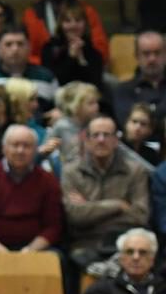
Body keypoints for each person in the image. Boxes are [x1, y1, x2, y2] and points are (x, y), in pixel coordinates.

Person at [0, 125, 64, 276]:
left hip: (35, 248)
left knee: (58, 259)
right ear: (4, 148)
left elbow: (53, 226)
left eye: (26, 146)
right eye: (15, 145)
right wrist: (2, 252)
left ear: (36, 150)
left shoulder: (48, 181)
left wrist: (30, 250)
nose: (20, 150)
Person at [62, 116, 151, 273]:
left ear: (116, 140)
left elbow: (140, 216)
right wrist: (117, 205)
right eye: (95, 135)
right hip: (85, 243)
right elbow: (74, 217)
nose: (101, 140)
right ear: (87, 140)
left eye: (106, 135)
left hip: (125, 243)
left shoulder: (135, 171)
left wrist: (89, 209)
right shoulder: (71, 172)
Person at [22, 0, 110, 66]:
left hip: (83, 67)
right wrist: (50, 64)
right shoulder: (31, 14)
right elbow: (25, 52)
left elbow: (101, 50)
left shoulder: (87, 11)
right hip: (43, 69)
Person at [39, 81, 102, 169]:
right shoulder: (61, 126)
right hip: (68, 171)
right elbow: (44, 153)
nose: (97, 106)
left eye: (96, 102)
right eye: (91, 103)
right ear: (75, 106)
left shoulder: (98, 124)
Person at [112, 31, 166, 133]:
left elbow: (139, 121)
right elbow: (127, 123)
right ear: (137, 56)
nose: (152, 59)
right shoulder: (124, 90)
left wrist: (146, 113)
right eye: (146, 54)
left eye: (157, 53)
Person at [40, 3, 105, 87]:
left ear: (85, 24)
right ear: (61, 24)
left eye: (78, 20)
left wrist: (81, 59)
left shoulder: (93, 52)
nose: (73, 26)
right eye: (67, 21)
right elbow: (54, 82)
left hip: (86, 93)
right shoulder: (49, 48)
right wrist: (71, 58)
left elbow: (95, 84)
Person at [122, 103, 161, 168]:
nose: (137, 127)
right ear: (126, 123)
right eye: (134, 121)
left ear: (150, 130)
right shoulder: (115, 146)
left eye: (143, 124)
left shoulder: (152, 155)